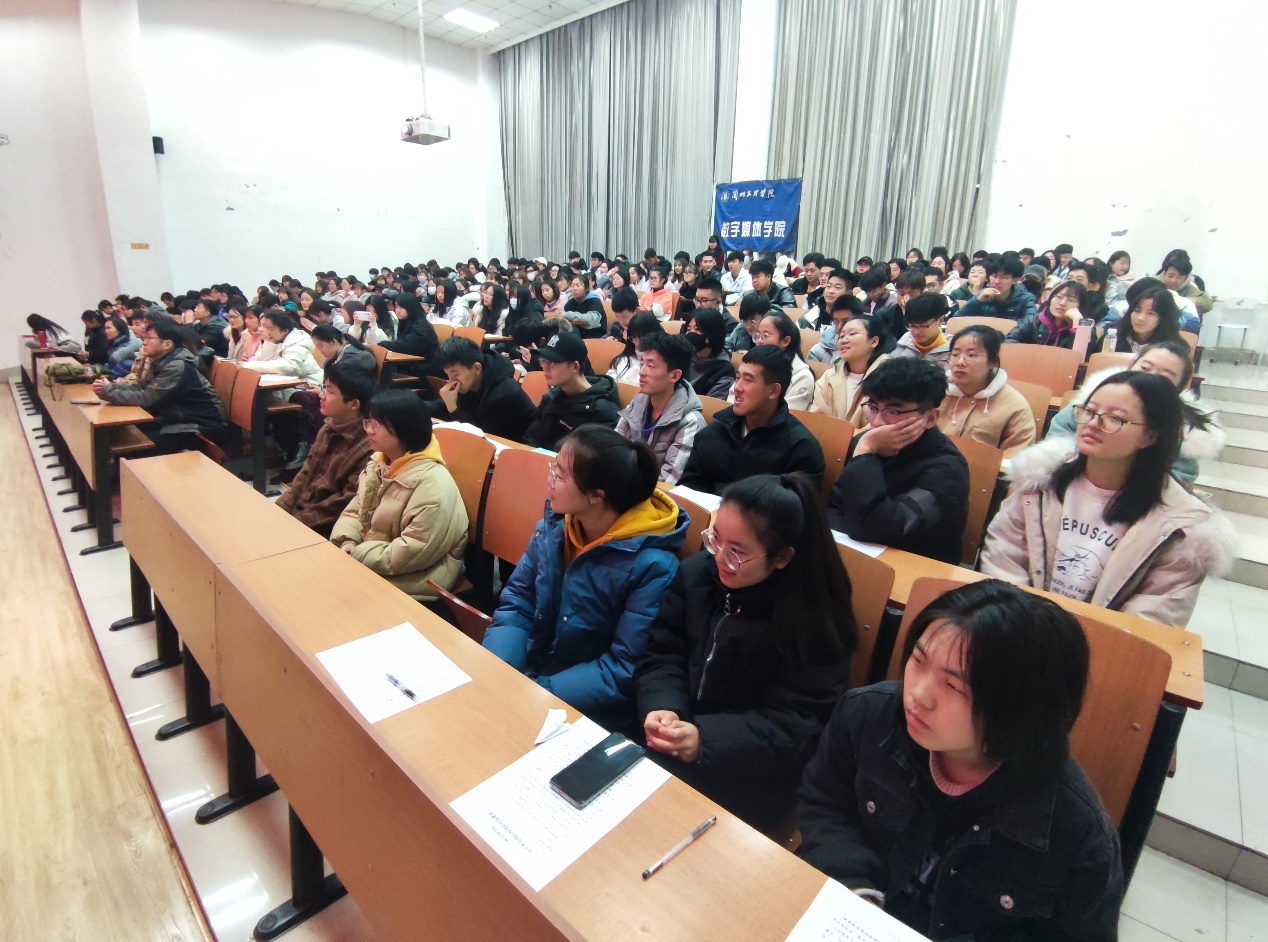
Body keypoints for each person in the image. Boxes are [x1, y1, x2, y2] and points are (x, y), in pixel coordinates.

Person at [797, 580, 1123, 942]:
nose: (918, 694)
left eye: (954, 686)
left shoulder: (1077, 834)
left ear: (1018, 710)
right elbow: (825, 802)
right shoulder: (867, 715)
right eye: (918, 661)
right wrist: (857, 895)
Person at [636, 473, 856, 831]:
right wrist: (663, 707)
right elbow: (663, 651)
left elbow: (798, 724)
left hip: (751, 773)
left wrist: (704, 740)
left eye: (737, 552)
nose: (720, 558)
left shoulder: (814, 619)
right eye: (716, 539)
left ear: (782, 557)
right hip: (678, 740)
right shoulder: (697, 575)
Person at [980, 372, 1236, 626]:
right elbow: (1004, 559)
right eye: (1089, 411)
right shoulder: (1039, 481)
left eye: (1115, 418)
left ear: (1150, 435)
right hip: (1017, 628)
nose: (1093, 423)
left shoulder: (1181, 526)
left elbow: (1152, 617)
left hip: (1103, 643)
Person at [482, 426, 687, 733]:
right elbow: (519, 602)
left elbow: (622, 667)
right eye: (554, 469)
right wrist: (501, 669)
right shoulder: (554, 528)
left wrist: (539, 692)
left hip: (587, 708)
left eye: (560, 475)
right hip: (534, 675)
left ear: (595, 496)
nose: (550, 480)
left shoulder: (653, 566)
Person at [330, 390, 468, 602]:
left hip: (419, 576)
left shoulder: (432, 485)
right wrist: (347, 542)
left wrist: (357, 554)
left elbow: (414, 550)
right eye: (368, 422)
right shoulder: (380, 463)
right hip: (374, 560)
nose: (368, 430)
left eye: (377, 424)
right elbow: (355, 510)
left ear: (403, 428)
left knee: (334, 595)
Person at [828, 358, 969, 563]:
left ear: (930, 418)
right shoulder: (866, 442)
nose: (877, 422)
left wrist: (866, 453)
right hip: (852, 554)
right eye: (873, 408)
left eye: (892, 411)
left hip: (913, 566)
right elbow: (837, 505)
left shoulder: (947, 471)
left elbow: (876, 528)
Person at [1046, 341, 1223, 484]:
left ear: (1179, 389)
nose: (1150, 377)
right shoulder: (1096, 397)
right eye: (1145, 368)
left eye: (1166, 376)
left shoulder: (1184, 430)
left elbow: (1181, 477)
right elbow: (1059, 434)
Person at [679, 345, 825, 494]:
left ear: (774, 391)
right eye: (738, 378)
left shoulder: (801, 448)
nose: (737, 387)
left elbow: (797, 505)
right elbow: (689, 485)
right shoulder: (716, 430)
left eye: (748, 380)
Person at [91, 319, 226, 453]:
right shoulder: (161, 360)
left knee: (135, 445)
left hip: (202, 427)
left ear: (167, 344)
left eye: (149, 338)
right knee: (120, 432)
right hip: (177, 419)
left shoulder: (177, 366)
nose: (144, 342)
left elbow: (147, 400)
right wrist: (112, 387)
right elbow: (141, 386)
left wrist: (108, 391)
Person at [276, 363, 376, 538]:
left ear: (354, 404)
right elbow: (305, 474)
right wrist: (278, 510)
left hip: (325, 529)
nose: (321, 395)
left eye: (330, 392)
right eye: (324, 388)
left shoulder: (370, 446)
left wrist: (293, 523)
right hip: (302, 515)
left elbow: (343, 503)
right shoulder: (328, 427)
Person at [614, 331, 705, 484]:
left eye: (650, 366)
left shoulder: (690, 422)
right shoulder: (638, 402)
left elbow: (667, 481)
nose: (641, 372)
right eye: (641, 363)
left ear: (674, 376)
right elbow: (612, 449)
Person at [939, 325, 1036, 454]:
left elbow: (1016, 459)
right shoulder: (935, 392)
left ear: (992, 362)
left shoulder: (1015, 406)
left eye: (971, 355)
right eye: (955, 354)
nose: (960, 362)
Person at [523, 330, 621, 450]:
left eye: (552, 362)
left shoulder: (603, 412)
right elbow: (530, 440)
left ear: (574, 366)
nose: (544, 367)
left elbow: (591, 458)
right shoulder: (550, 399)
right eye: (543, 360)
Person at [428, 336, 537, 442]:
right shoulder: (470, 382)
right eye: (447, 374)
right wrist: (418, 406)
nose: (451, 380)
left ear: (477, 368)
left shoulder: (504, 395)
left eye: (455, 373)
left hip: (519, 448)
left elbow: (482, 439)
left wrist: (453, 409)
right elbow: (442, 408)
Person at [810, 316, 889, 427]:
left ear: (874, 341)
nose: (844, 340)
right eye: (841, 336)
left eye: (852, 334)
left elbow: (883, 425)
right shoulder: (829, 377)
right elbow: (816, 418)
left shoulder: (890, 377)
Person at [729, 309, 814, 411]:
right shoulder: (751, 365)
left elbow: (790, 414)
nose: (759, 341)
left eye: (765, 336)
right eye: (757, 336)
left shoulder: (802, 376)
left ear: (785, 341)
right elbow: (731, 401)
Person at [1006, 280, 1087, 348]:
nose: (1062, 303)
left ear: (1081, 306)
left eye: (1071, 300)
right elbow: (1009, 341)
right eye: (1059, 297)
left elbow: (1081, 357)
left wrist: (1078, 324)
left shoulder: (1087, 329)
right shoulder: (1033, 321)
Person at [379, 294, 441, 377]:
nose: (398, 310)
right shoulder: (405, 323)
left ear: (411, 307)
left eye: (402, 307)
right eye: (396, 307)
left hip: (422, 371)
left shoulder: (422, 328)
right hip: (409, 366)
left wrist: (382, 344)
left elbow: (405, 347)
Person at [959, 256, 1037, 321]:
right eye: (994, 276)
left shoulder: (1025, 299)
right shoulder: (983, 294)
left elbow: (1030, 322)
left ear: (1015, 280)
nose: (996, 281)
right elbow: (957, 318)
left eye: (1003, 277)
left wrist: (1010, 334)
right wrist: (976, 301)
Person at [682, 308, 736, 400]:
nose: (690, 334)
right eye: (688, 329)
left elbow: (711, 404)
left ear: (711, 335)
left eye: (697, 329)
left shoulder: (724, 371)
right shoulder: (683, 357)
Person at [1113, 285, 1184, 353]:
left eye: (1150, 313)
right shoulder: (1114, 337)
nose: (1140, 318)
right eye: (1137, 311)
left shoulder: (1174, 349)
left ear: (1164, 317)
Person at [890, 294, 951, 366]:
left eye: (923, 326)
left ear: (940, 320)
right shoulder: (903, 344)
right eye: (912, 326)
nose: (916, 332)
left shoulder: (952, 350)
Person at [607, 312, 663, 386]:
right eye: (633, 337)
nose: (637, 343)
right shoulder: (622, 360)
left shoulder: (662, 364)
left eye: (641, 338)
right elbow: (608, 384)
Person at [311, 324, 376, 380]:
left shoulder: (360, 358)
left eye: (321, 346)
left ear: (333, 342)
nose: (321, 352)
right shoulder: (330, 361)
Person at [564, 272, 606, 338]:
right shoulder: (572, 302)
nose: (574, 288)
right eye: (572, 286)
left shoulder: (594, 300)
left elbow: (592, 321)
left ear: (587, 288)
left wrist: (567, 315)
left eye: (578, 285)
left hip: (594, 335)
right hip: (578, 334)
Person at [103, 315, 141, 379]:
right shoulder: (115, 344)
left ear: (119, 329)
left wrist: (106, 375)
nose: (106, 331)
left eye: (109, 328)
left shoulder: (126, 347)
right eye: (105, 328)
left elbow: (125, 367)